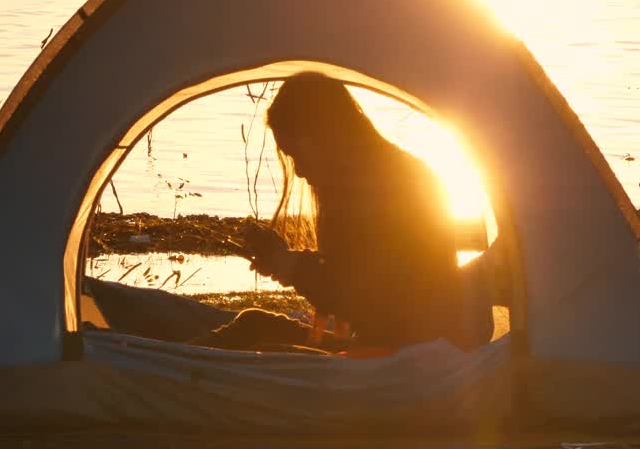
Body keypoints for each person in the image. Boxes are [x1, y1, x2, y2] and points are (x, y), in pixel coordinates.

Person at [197, 72, 483, 353]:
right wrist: (287, 260)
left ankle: (167, 370)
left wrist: (292, 267)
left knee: (251, 335)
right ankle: (170, 363)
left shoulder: (390, 188)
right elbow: (355, 271)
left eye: (299, 154)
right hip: (387, 348)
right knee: (253, 323)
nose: (298, 171)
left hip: (400, 361)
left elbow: (379, 302)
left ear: (326, 138)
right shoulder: (382, 175)